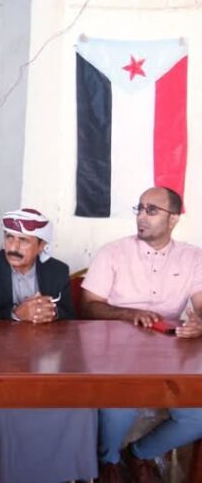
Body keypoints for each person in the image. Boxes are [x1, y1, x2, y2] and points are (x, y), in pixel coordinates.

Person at [82, 186, 202, 483]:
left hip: (171, 354)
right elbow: (89, 306)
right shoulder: (113, 253)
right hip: (115, 352)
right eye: (140, 208)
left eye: (152, 210)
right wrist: (127, 314)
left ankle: (139, 453)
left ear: (173, 219)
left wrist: (199, 324)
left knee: (197, 415)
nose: (141, 216)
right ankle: (107, 462)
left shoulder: (193, 257)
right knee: (119, 408)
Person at [0, 208, 97, 483]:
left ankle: (68, 474)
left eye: (23, 240)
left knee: (80, 403)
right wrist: (16, 314)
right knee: (10, 408)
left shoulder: (57, 270)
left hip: (46, 361)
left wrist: (52, 312)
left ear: (41, 246)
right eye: (9, 237)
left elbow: (70, 319)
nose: (13, 247)